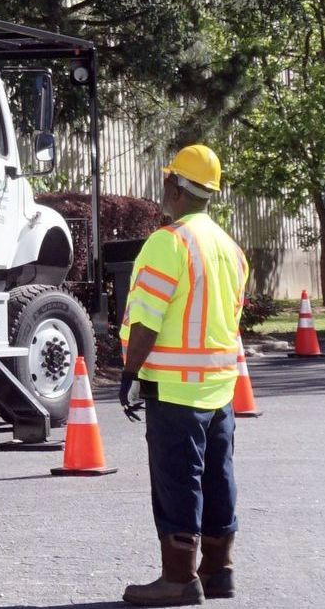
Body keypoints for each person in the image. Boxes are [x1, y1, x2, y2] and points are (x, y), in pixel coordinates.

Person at [117, 145, 250, 605]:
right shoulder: (231, 249)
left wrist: (129, 372)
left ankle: (178, 578)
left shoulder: (168, 242)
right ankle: (219, 570)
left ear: (175, 186)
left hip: (174, 388)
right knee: (218, 476)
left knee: (178, 481)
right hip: (219, 387)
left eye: (167, 181)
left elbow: (148, 319)